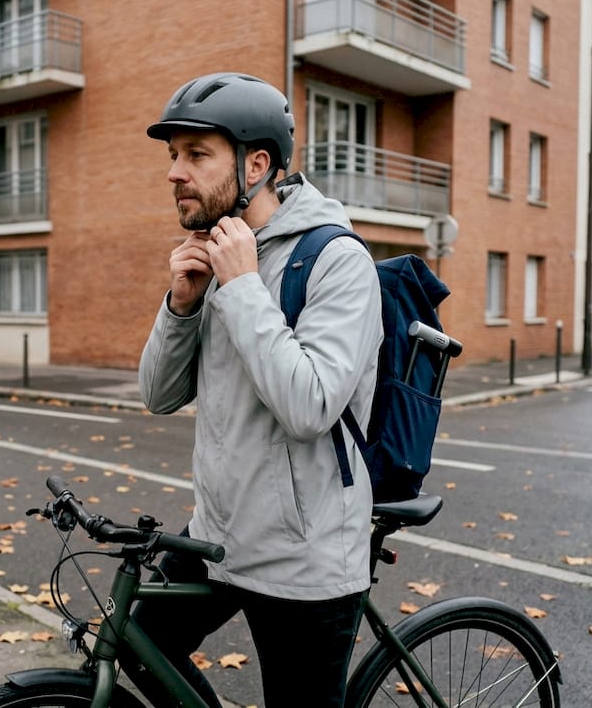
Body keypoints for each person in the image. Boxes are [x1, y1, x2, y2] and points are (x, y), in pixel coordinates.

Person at [132, 72, 383, 708]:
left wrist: (243, 287)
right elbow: (158, 396)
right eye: (173, 155)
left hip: (304, 558)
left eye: (197, 154)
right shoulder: (215, 257)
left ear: (256, 165)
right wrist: (182, 306)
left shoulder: (336, 260)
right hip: (218, 536)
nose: (175, 173)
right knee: (137, 644)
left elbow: (310, 407)